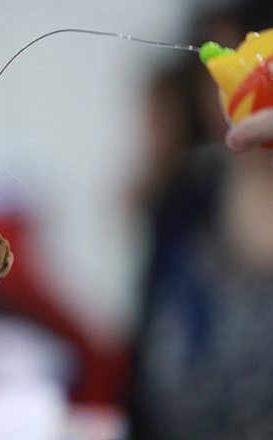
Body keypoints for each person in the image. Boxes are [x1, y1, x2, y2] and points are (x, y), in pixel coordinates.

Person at [128, 1, 273, 438]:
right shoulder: (181, 197)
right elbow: (142, 379)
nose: (225, 96)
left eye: (249, 63)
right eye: (215, 71)